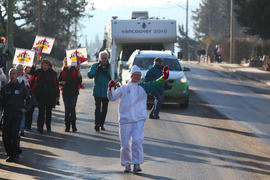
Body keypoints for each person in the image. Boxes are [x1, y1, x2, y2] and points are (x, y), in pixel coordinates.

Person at [107, 65, 169, 173]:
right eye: (135, 75)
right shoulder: (123, 88)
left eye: (139, 75)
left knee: (137, 142)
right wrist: (110, 88)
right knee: (125, 145)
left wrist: (164, 77)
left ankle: (137, 163)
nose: (137, 77)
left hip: (138, 119)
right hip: (125, 120)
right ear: (131, 76)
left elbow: (155, 83)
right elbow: (112, 97)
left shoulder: (144, 87)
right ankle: (127, 164)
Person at [1, 68, 31, 162]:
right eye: (11, 73)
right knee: (5, 136)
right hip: (6, 115)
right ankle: (10, 152)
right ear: (9, 75)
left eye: (14, 73)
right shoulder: (5, 87)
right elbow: (1, 102)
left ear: (17, 75)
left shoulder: (22, 87)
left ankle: (14, 154)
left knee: (14, 135)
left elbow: (29, 99)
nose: (12, 75)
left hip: (17, 115)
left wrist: (25, 108)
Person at [31, 60, 59, 134]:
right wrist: (34, 65)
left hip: (50, 96)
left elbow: (56, 84)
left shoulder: (53, 73)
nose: (45, 67)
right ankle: (40, 127)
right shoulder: (39, 72)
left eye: (46, 65)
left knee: (49, 112)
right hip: (41, 95)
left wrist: (57, 95)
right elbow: (31, 73)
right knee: (41, 112)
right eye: (43, 65)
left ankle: (48, 126)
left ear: (49, 66)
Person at [88, 51, 112, 132]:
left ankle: (102, 124)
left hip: (107, 91)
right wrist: (97, 70)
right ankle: (97, 124)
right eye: (102, 58)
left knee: (104, 109)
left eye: (105, 58)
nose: (104, 60)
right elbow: (89, 75)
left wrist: (107, 72)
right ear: (100, 58)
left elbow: (114, 76)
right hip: (97, 91)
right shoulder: (95, 65)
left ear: (107, 58)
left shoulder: (110, 67)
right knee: (97, 108)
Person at [59, 58, 83, 132]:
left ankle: (74, 126)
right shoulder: (63, 71)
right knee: (67, 109)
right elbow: (59, 80)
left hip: (74, 92)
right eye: (65, 62)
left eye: (67, 62)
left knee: (72, 108)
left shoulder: (75, 70)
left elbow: (79, 81)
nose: (66, 63)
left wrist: (79, 74)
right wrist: (61, 82)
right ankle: (67, 126)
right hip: (65, 92)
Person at [16, 64, 30, 136]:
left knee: (22, 114)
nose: (19, 70)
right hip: (14, 99)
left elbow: (28, 87)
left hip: (22, 99)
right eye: (18, 69)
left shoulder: (25, 77)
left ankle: (22, 130)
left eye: (21, 69)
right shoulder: (12, 75)